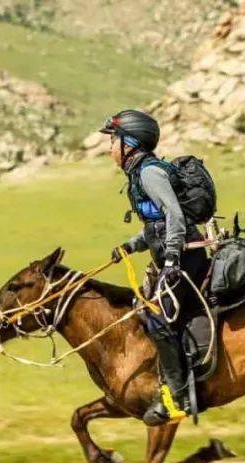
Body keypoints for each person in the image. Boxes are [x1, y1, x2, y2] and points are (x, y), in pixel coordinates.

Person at [99, 109, 210, 425]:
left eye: (113, 141)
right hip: (169, 256)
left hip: (184, 257)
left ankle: (177, 396)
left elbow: (174, 216)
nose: (110, 148)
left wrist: (173, 257)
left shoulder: (149, 173)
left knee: (158, 318)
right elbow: (155, 224)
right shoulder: (138, 174)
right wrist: (131, 246)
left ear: (130, 143)